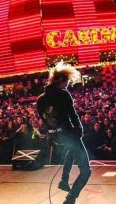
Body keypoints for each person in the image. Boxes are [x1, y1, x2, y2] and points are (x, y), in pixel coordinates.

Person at [36, 62, 91, 204]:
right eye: (66, 82)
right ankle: (70, 199)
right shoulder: (63, 95)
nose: (67, 85)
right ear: (61, 81)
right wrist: (79, 130)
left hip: (56, 137)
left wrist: (51, 134)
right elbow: (73, 116)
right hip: (68, 135)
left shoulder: (40, 100)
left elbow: (45, 120)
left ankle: (64, 180)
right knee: (86, 171)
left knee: (71, 149)